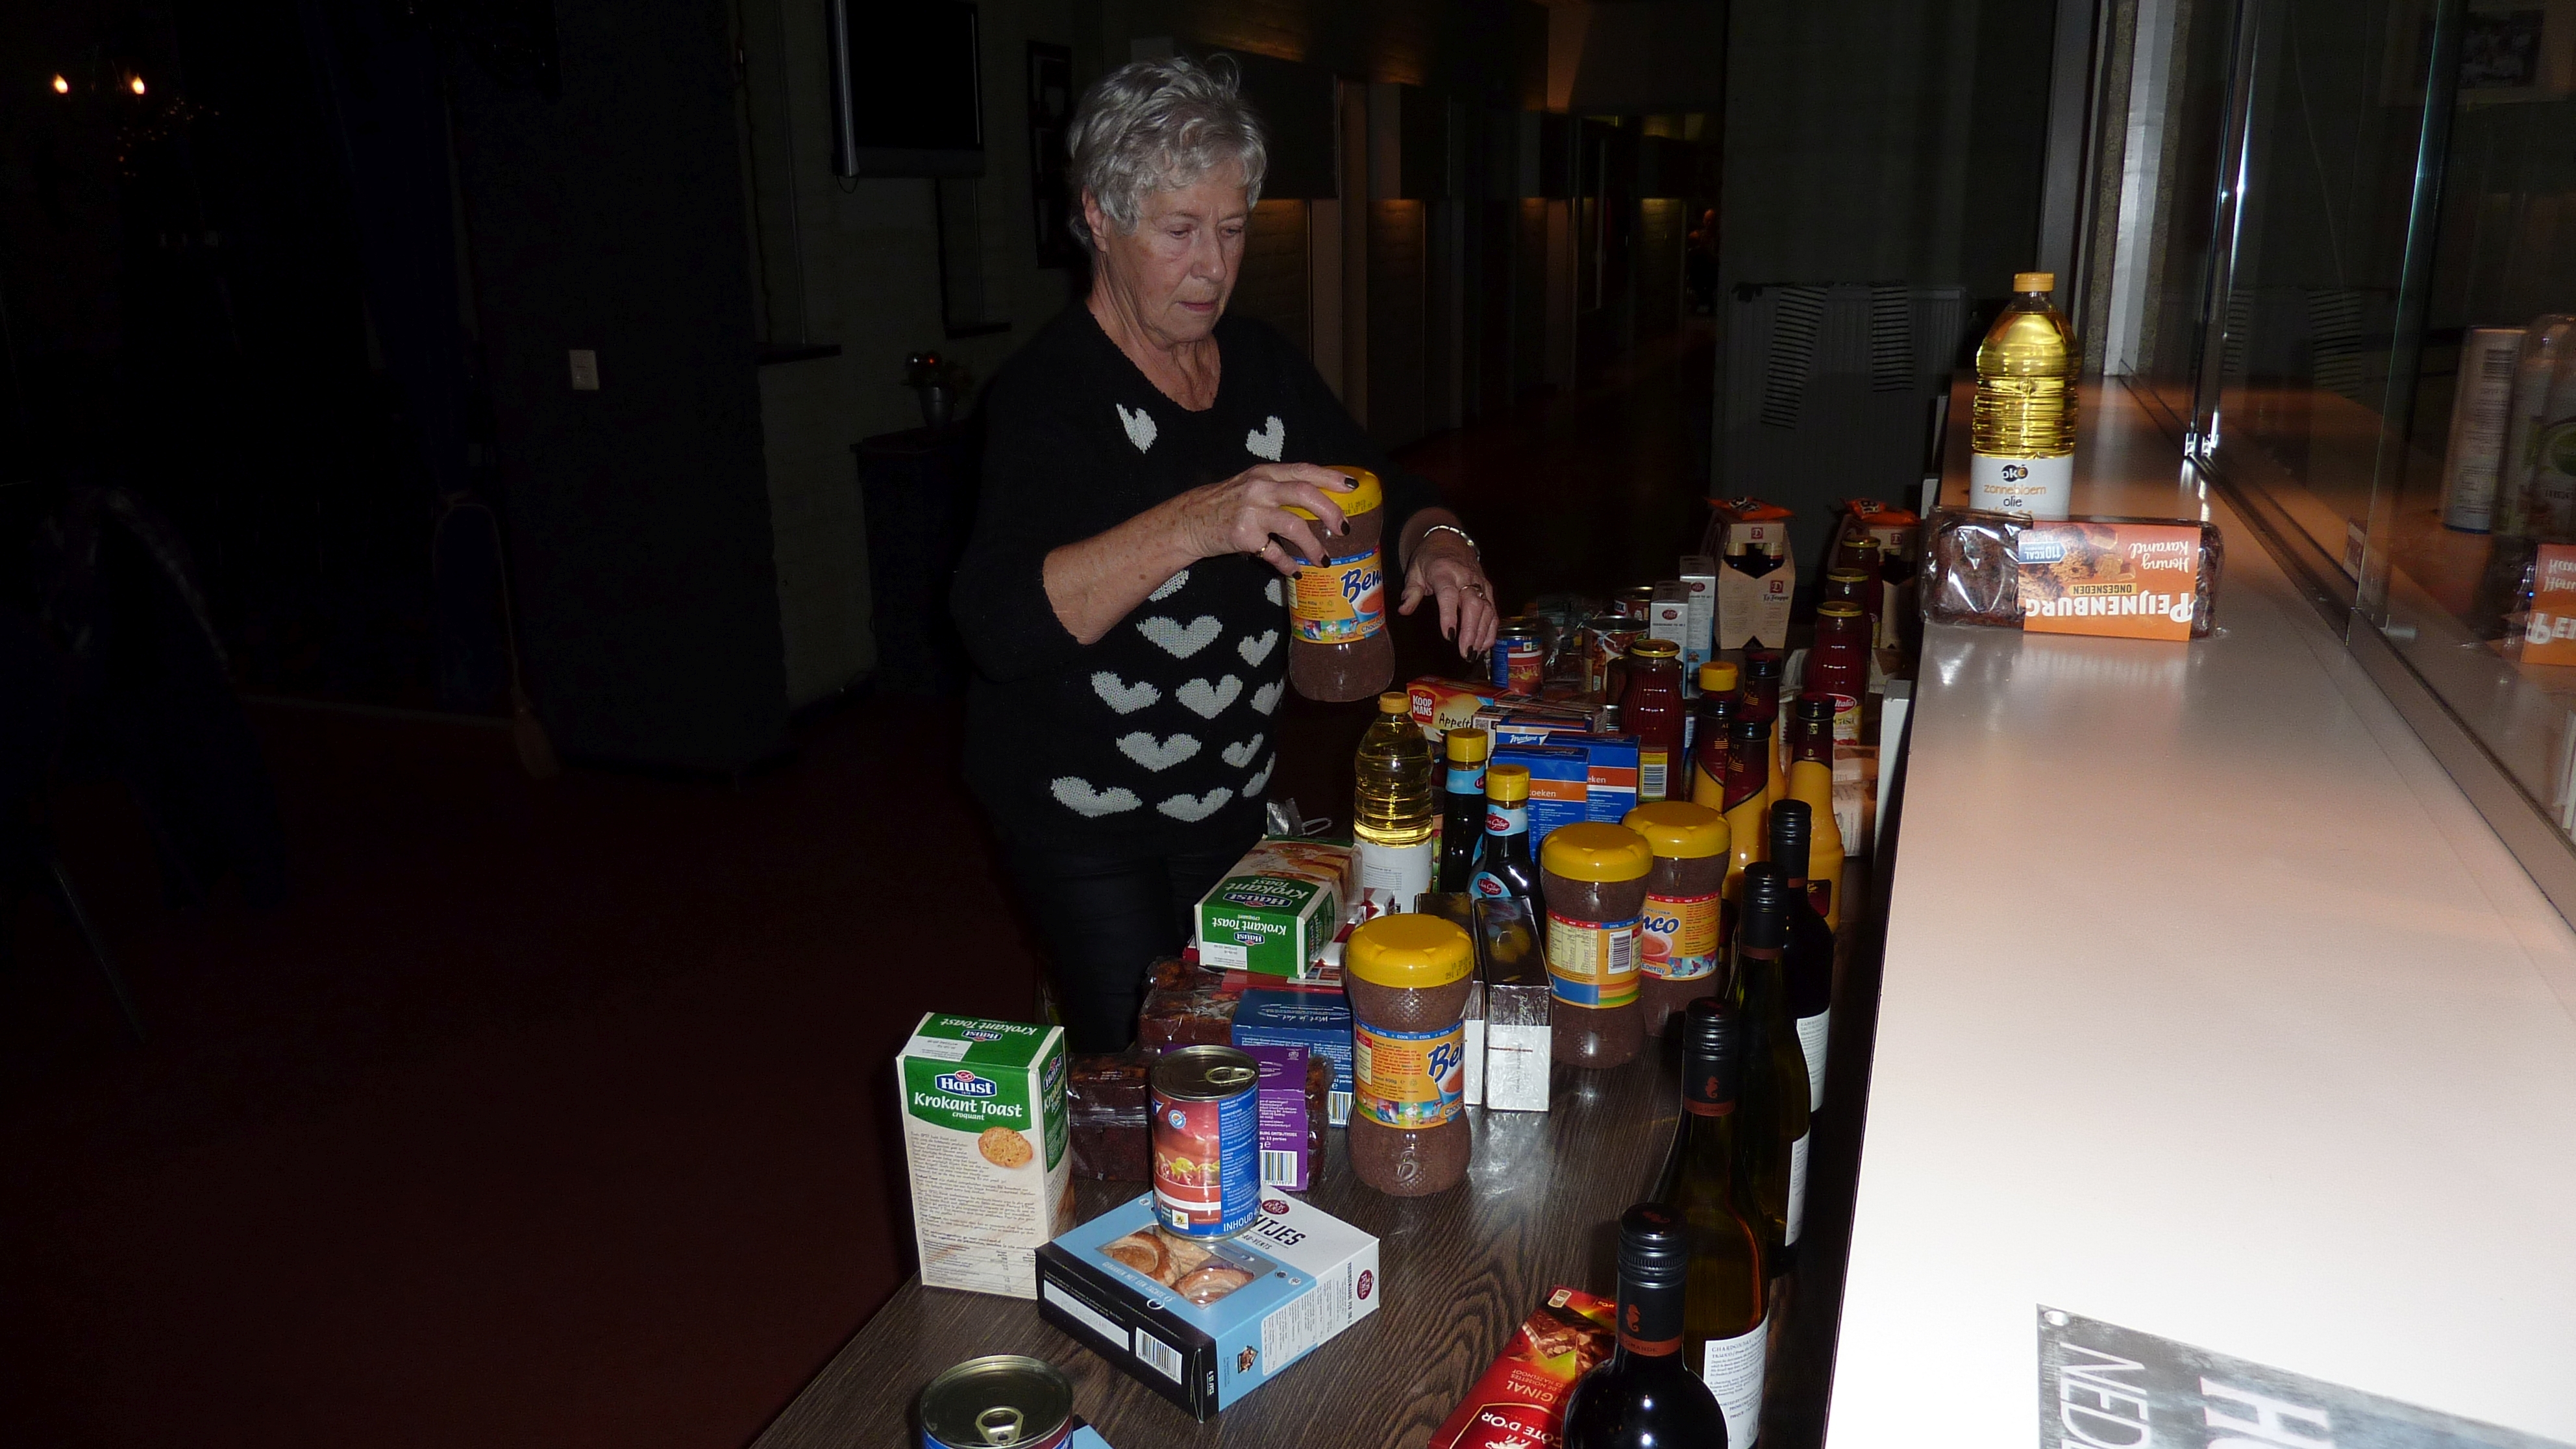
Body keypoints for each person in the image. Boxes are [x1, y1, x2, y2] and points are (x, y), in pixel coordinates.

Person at [952, 55, 1500, 1052]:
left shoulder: (1260, 366)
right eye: (1180, 231)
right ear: (1099, 218)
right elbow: (997, 622)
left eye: (1234, 228)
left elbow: (1377, 482)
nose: (1214, 266)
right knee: (1157, 1057)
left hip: (1228, 797)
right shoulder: (1047, 396)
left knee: (1243, 1041)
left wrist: (1438, 541)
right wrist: (1201, 522)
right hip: (1083, 816)